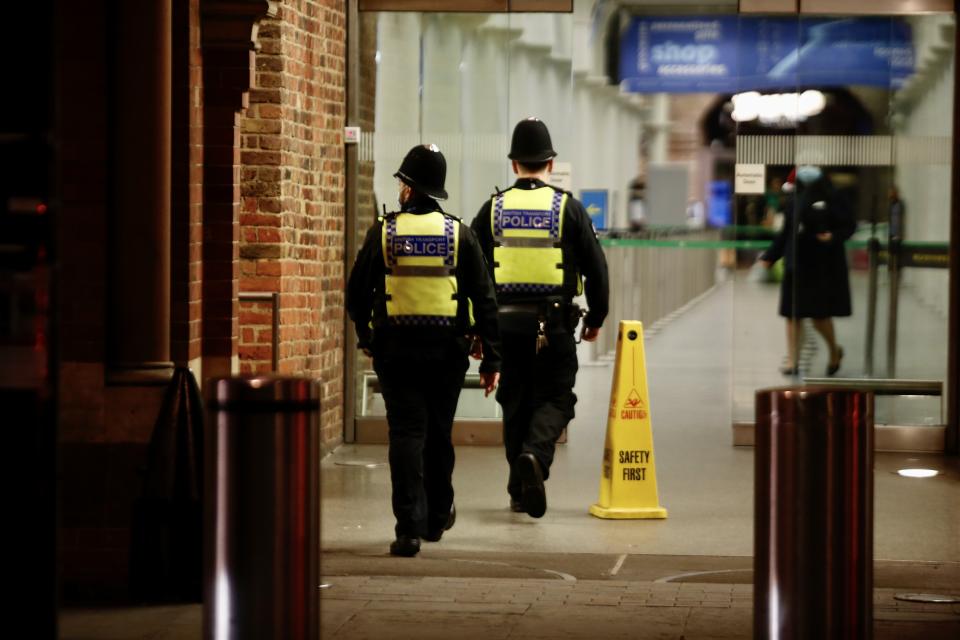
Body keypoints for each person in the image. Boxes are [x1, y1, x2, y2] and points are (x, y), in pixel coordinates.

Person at [346, 144, 502, 557]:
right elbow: (484, 299)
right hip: (446, 354)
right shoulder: (459, 234)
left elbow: (356, 294)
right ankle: (436, 516)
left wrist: (366, 335)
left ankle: (408, 529)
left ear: (410, 189)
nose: (399, 188)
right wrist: (492, 360)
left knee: (406, 435)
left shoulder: (384, 232)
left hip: (396, 353)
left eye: (402, 182)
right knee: (437, 434)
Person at [471, 118, 609, 518]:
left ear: (514, 164)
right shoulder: (569, 208)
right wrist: (596, 317)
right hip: (555, 325)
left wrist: (479, 331)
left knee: (515, 402)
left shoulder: (491, 209)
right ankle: (535, 457)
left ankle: (518, 489)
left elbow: (475, 276)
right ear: (551, 162)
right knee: (555, 398)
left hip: (504, 326)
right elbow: (596, 269)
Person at [760, 165, 855, 376]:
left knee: (819, 317)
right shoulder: (794, 201)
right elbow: (786, 233)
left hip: (820, 265)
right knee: (792, 315)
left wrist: (832, 236)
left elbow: (849, 226)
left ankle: (834, 351)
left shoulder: (834, 197)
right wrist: (770, 256)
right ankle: (792, 361)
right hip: (796, 264)